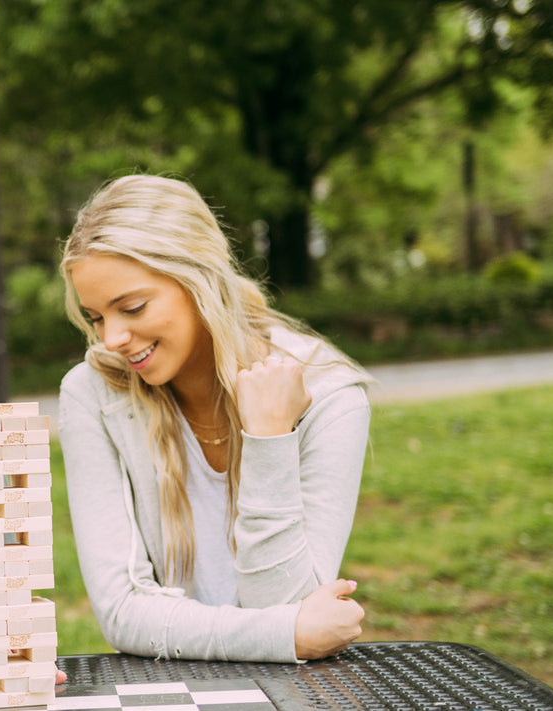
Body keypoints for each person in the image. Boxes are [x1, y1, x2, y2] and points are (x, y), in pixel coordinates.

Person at [57, 175, 370, 664]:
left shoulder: (329, 396)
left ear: (200, 281)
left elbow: (282, 603)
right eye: (96, 317)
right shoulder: (95, 392)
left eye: (132, 307)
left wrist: (269, 437)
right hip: (158, 692)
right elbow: (121, 612)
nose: (111, 338)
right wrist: (281, 636)